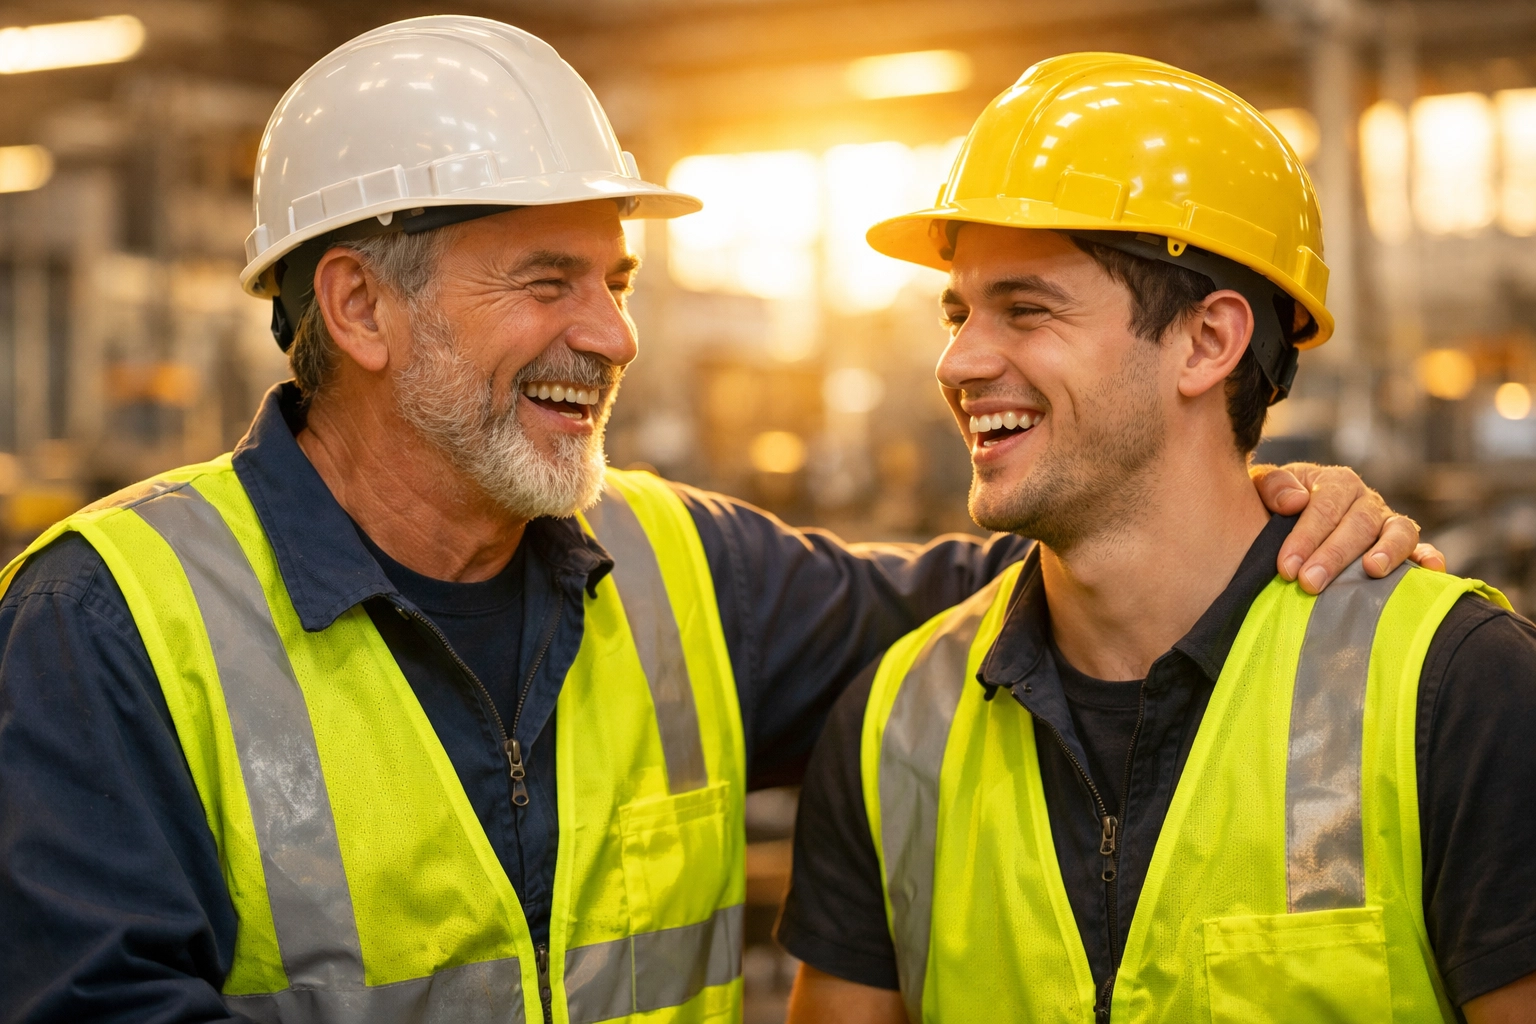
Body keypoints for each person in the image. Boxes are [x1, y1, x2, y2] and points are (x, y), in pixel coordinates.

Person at [0, 23, 1426, 1024]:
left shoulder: (686, 572)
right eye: (547, 280)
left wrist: (1263, 515)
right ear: (360, 308)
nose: (613, 336)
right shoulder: (113, 624)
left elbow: (1067, 590)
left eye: (615, 280)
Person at [777, 53, 1536, 1023]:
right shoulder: (897, 723)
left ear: (1207, 343)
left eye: (1027, 309)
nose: (959, 359)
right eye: (960, 311)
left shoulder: (1457, 691)